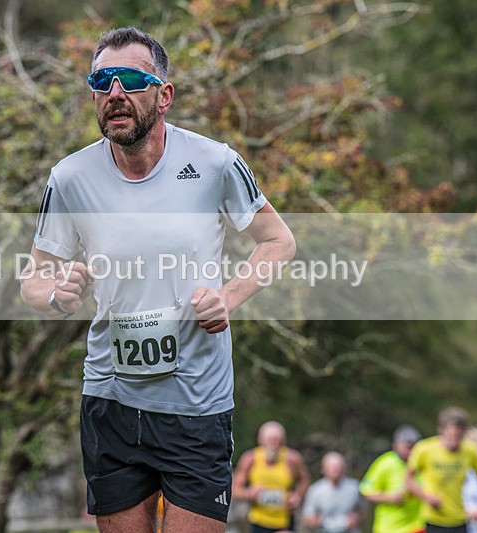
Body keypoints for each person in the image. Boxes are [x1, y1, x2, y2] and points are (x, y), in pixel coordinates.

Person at [19, 27, 296, 533]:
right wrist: (57, 295)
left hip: (196, 401)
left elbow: (278, 241)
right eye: (102, 81)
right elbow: (33, 280)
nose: (115, 94)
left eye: (130, 79)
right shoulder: (70, 178)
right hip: (111, 398)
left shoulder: (215, 163)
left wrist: (228, 297)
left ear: (163, 95)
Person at [405, 406, 477, 533]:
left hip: (460, 518)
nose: (454, 442)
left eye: (459, 437)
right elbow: (408, 479)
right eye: (450, 437)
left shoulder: (470, 450)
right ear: (441, 430)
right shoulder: (424, 449)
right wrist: (426, 497)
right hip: (434, 518)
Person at [232, 421, 311, 533]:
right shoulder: (250, 459)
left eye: (277, 440)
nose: (273, 444)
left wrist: (297, 496)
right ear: (260, 440)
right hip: (257, 521)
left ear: (283, 441)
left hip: (285, 521)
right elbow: (235, 491)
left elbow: (304, 479)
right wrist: (250, 493)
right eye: (269, 440)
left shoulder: (292, 459)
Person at [359, 424, 426, 533]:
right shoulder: (385, 463)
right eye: (407, 447)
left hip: (417, 527)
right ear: (395, 445)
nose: (410, 451)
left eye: (414, 447)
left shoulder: (421, 462)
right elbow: (365, 492)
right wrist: (389, 497)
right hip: (389, 528)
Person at [301, 451, 368, 533]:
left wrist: (356, 519)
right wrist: (315, 521)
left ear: (344, 468)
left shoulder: (355, 487)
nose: (336, 469)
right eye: (332, 466)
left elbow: (363, 511)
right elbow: (307, 517)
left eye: (338, 466)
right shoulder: (315, 490)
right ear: (324, 469)